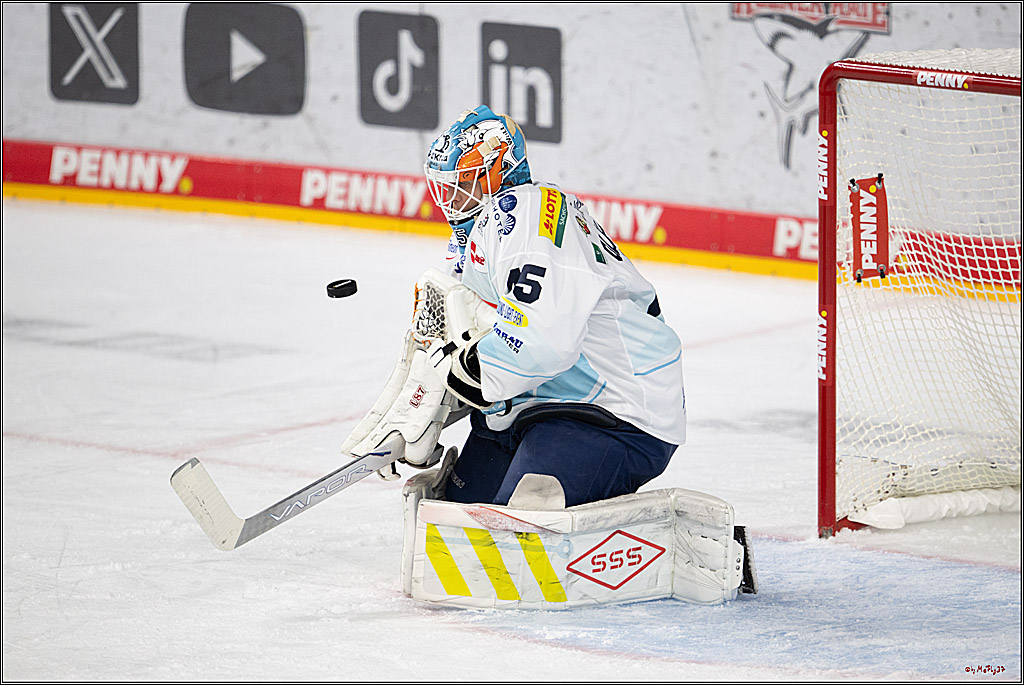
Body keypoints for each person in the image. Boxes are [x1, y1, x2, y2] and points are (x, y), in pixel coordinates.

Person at [419, 105, 687, 509]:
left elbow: (538, 343)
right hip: (532, 403)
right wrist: (418, 409)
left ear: (501, 173)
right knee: (456, 512)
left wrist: (464, 372)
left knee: (520, 522)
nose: (452, 198)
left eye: (464, 184)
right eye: (445, 186)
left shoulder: (525, 215)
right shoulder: (473, 237)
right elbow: (448, 335)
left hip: (613, 410)